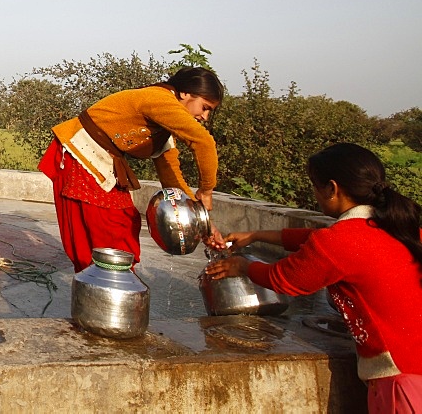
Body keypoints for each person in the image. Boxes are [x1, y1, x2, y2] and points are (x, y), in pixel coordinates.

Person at [206, 143, 422, 412]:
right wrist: (255, 235)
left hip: (401, 379)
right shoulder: (397, 226)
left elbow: (286, 279)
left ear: (332, 188)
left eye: (314, 185)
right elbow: (313, 240)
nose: (314, 194)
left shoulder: (341, 241)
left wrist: (242, 266)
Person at [39, 67, 224, 270]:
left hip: (101, 162)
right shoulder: (158, 99)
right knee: (107, 230)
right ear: (185, 93)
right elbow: (204, 142)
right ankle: (103, 285)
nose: (205, 116)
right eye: (204, 107)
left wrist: (204, 224)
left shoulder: (164, 123)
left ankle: (114, 286)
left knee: (124, 223)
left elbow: (171, 177)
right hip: (79, 155)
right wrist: (206, 190)